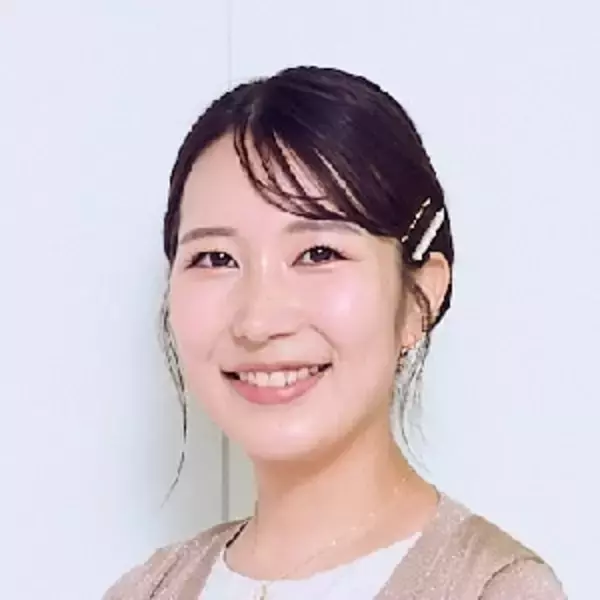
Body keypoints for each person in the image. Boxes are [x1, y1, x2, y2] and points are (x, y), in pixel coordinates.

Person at [104, 66, 565, 599]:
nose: (258, 320)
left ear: (419, 298)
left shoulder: (492, 588)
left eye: (318, 253)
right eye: (216, 258)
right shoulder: (146, 590)